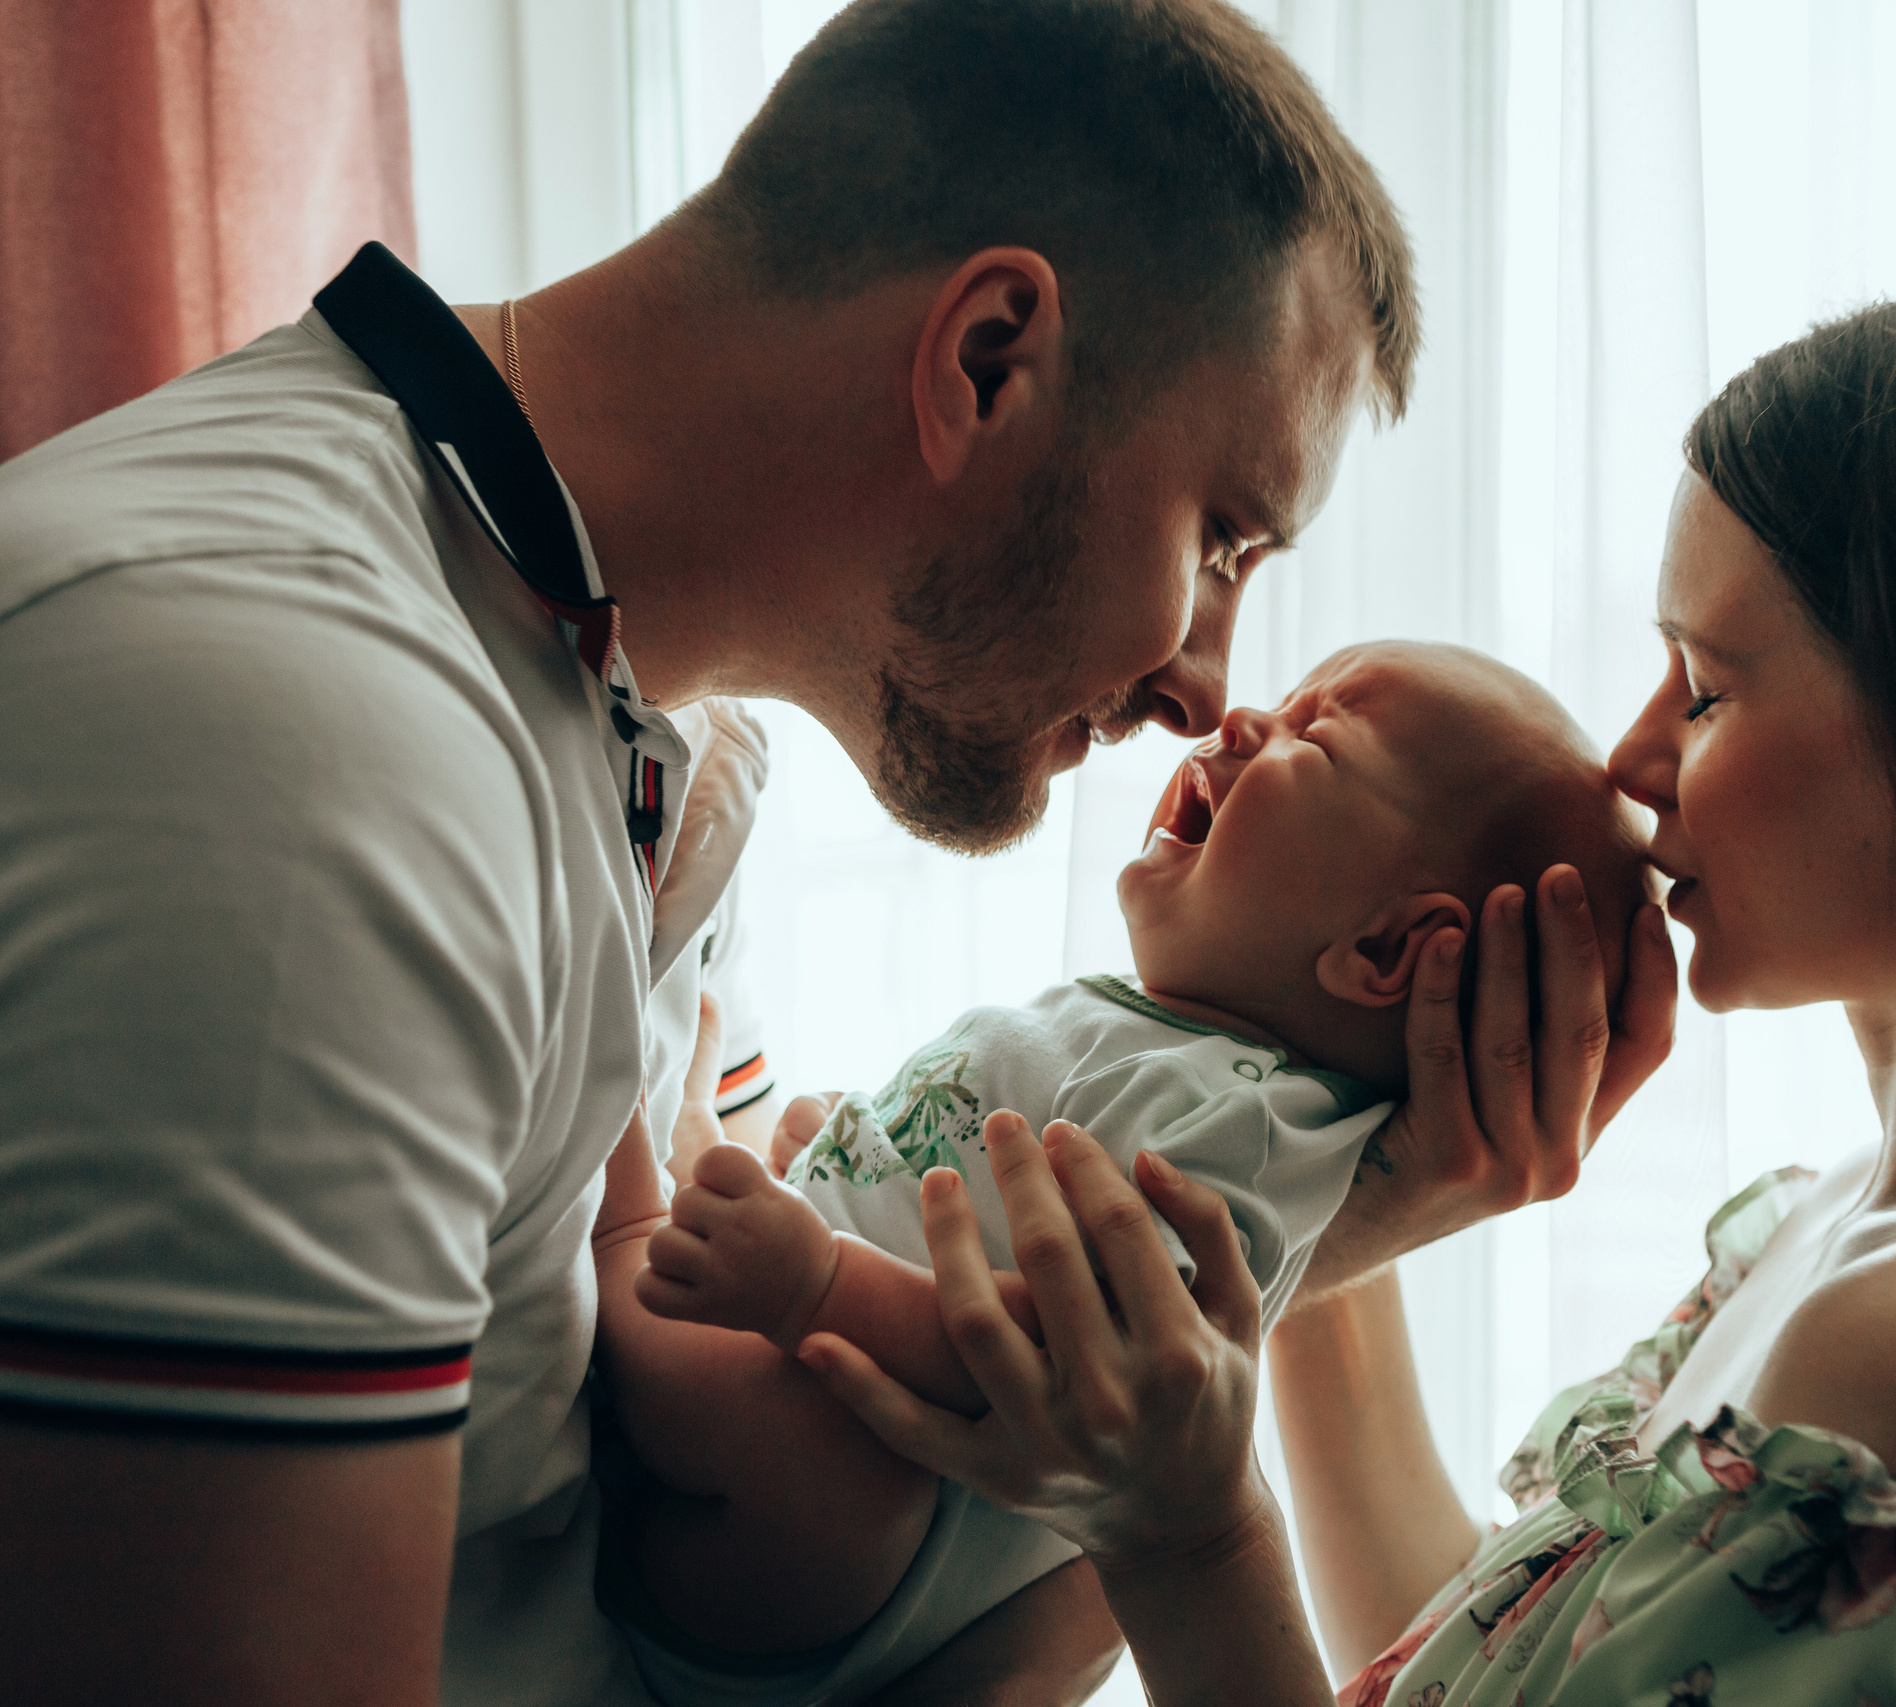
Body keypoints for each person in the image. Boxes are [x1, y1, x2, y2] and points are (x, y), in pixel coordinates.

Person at [0, 2, 1629, 1701]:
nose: (1205, 687)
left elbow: (799, 1460)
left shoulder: (641, 730)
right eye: (1221, 536)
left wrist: (1342, 1209)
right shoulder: (289, 752)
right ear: (988, 356)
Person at [794, 269, 1896, 1707]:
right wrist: (1344, 1185)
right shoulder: (1837, 1221)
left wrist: (1182, 1527)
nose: (1637, 762)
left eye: (1709, 687)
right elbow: (1467, 1661)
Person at [579, 641, 1652, 1701]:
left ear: (1381, 955)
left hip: (817, 1574)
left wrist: (819, 1279)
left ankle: (621, 1225)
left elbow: (1067, 1371)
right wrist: (855, 1149)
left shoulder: (1238, 1130)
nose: (1237, 718)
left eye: (1314, 739)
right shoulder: (1169, 1046)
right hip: (809, 1492)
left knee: (824, 1449)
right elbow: (972, 1159)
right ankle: (680, 1152)